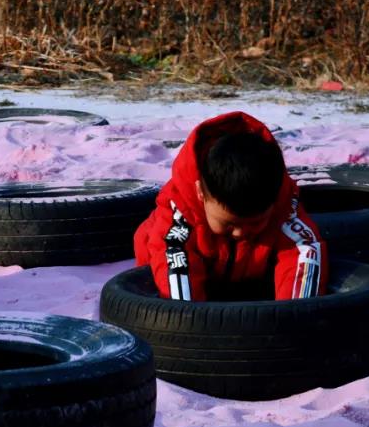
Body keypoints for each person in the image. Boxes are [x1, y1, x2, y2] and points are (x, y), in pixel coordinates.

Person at [134, 111, 327, 301]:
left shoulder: (283, 205)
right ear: (201, 194)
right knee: (161, 259)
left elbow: (304, 252)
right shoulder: (178, 212)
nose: (240, 233)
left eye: (254, 223)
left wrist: (292, 314)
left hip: (250, 277)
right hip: (177, 275)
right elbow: (178, 297)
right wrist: (192, 318)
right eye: (228, 224)